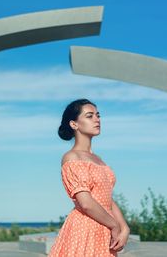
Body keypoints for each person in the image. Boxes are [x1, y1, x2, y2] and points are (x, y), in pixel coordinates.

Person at [48, 98, 130, 257]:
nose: (97, 119)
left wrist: (124, 227)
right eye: (89, 116)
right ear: (74, 124)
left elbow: (107, 198)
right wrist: (114, 225)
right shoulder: (71, 157)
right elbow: (86, 203)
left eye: (98, 115)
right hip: (85, 228)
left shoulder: (98, 159)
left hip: (104, 226)